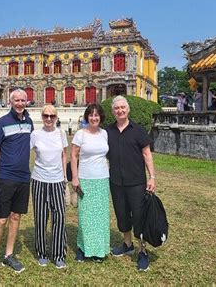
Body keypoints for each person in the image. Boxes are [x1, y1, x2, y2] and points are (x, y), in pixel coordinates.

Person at [0, 89, 34, 284]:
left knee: (16, 217)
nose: (20, 103)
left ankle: (9, 255)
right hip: (5, 177)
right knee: (1, 220)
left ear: (26, 101)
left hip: (23, 177)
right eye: (16, 100)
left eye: (23, 100)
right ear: (10, 101)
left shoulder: (29, 122)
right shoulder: (2, 123)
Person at [106, 96, 157, 272]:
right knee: (121, 214)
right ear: (113, 111)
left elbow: (147, 154)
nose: (120, 110)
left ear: (128, 109)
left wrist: (152, 177)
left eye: (122, 107)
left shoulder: (138, 130)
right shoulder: (108, 131)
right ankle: (127, 243)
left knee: (139, 215)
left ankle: (142, 250)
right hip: (116, 181)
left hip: (136, 181)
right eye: (116, 108)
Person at [70, 103, 110, 263]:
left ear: (100, 117)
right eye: (91, 115)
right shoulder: (80, 134)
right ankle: (83, 247)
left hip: (102, 179)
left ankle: (98, 250)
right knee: (85, 215)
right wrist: (75, 177)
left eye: (97, 115)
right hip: (85, 178)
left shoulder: (105, 133)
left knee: (100, 216)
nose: (94, 118)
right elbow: (73, 156)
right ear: (87, 117)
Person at [30, 105, 68, 269]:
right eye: (46, 115)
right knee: (41, 217)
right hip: (39, 179)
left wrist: (65, 177)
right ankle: (42, 253)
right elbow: (25, 152)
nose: (48, 119)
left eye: (52, 116)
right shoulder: (35, 134)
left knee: (59, 216)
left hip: (57, 180)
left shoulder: (61, 133)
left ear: (56, 117)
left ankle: (59, 254)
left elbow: (63, 155)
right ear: (41, 116)